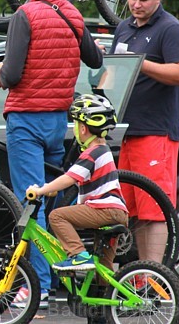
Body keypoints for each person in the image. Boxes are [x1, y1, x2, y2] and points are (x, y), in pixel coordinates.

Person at [0, 0, 103, 308]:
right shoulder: (72, 14)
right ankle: (55, 282)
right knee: (54, 204)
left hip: (26, 120)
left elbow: (15, 73)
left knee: (32, 203)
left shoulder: (25, 15)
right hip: (58, 122)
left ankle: (35, 290)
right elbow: (95, 60)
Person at [109, 0, 179, 262]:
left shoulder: (171, 30)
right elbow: (113, 75)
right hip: (128, 133)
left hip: (156, 133)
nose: (136, 4)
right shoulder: (124, 28)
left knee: (153, 209)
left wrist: (140, 65)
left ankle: (153, 278)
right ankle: (141, 278)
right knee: (133, 209)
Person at [27, 94, 128, 274]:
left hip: (103, 210)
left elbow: (69, 178)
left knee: (57, 216)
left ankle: (78, 255)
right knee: (103, 267)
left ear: (82, 129)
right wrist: (51, 190)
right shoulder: (103, 150)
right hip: (118, 211)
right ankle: (105, 299)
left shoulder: (92, 152)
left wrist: (41, 190)